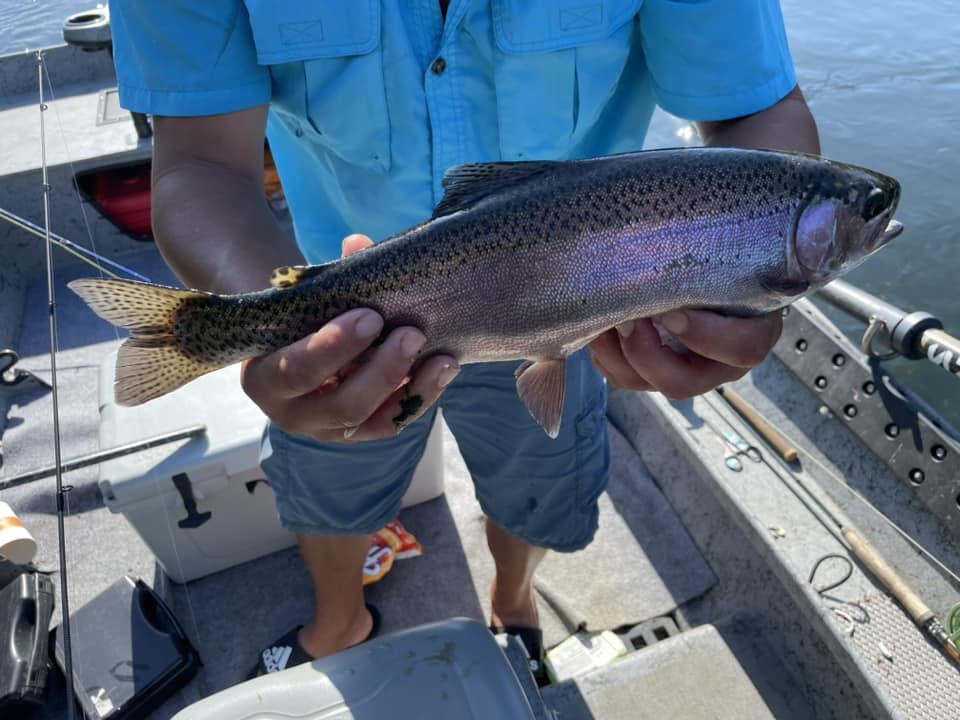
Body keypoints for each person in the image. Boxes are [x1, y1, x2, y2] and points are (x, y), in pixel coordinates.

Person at [110, 0, 819, 682]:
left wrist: (745, 273)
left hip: (572, 320)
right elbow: (198, 162)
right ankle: (341, 622)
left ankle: (513, 599)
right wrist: (282, 327)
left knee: (535, 491)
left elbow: (751, 106)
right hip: (339, 315)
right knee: (328, 488)